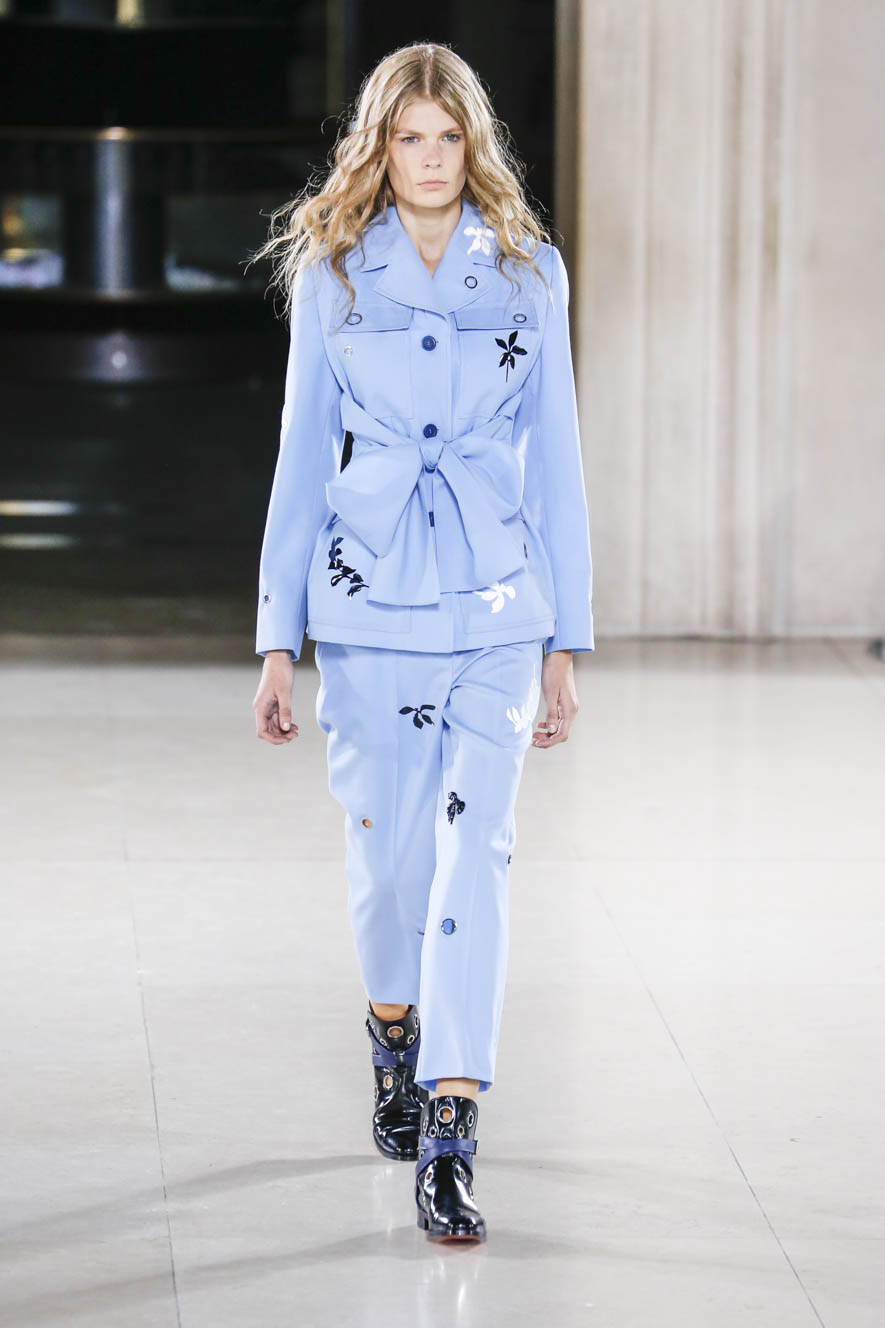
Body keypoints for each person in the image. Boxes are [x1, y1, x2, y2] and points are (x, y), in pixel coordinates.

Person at [249, 40, 594, 1243]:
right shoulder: (336, 274)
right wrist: (276, 635)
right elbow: (302, 453)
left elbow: (558, 459)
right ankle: (393, 1027)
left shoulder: (529, 274)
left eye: (450, 138)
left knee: (473, 855)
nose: (432, 159)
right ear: (380, 148)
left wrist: (566, 638)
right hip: (366, 599)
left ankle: (451, 1123)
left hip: (497, 602)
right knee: (391, 857)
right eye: (410, 138)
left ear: (474, 146)